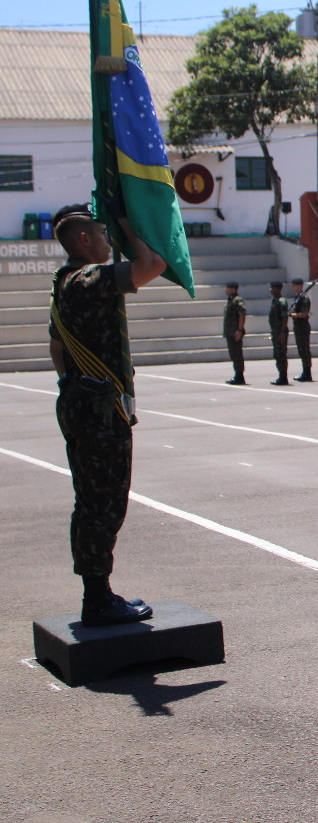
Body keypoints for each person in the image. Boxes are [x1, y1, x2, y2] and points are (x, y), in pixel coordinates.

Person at [48, 203, 167, 625]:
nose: (106, 242)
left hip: (79, 401)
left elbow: (57, 348)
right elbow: (153, 264)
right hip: (99, 411)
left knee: (89, 502)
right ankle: (98, 601)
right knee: (105, 505)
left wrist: (74, 383)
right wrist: (126, 225)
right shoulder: (86, 280)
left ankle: (96, 592)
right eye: (100, 234)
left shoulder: (60, 283)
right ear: (83, 240)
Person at [289, 277, 313, 382]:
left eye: (295, 285)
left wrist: (291, 314)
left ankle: (307, 373)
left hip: (303, 327)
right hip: (298, 327)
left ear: (299, 286)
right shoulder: (298, 297)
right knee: (301, 350)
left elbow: (303, 314)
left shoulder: (304, 298)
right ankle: (305, 371)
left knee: (305, 350)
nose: (293, 287)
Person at [223, 281, 247, 385]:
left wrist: (239, 330)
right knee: (233, 354)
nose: (225, 290)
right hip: (230, 332)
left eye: (227, 288)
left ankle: (239, 376)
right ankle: (237, 375)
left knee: (237, 354)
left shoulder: (237, 300)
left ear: (233, 289)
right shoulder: (230, 300)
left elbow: (242, 314)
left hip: (235, 332)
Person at [267, 281, 290, 386]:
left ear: (278, 289)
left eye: (272, 288)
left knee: (281, 354)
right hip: (275, 331)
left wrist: (282, 332)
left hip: (280, 332)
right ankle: (281, 375)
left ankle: (283, 377)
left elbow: (285, 317)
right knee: (277, 354)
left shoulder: (282, 301)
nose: (270, 290)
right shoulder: (274, 300)